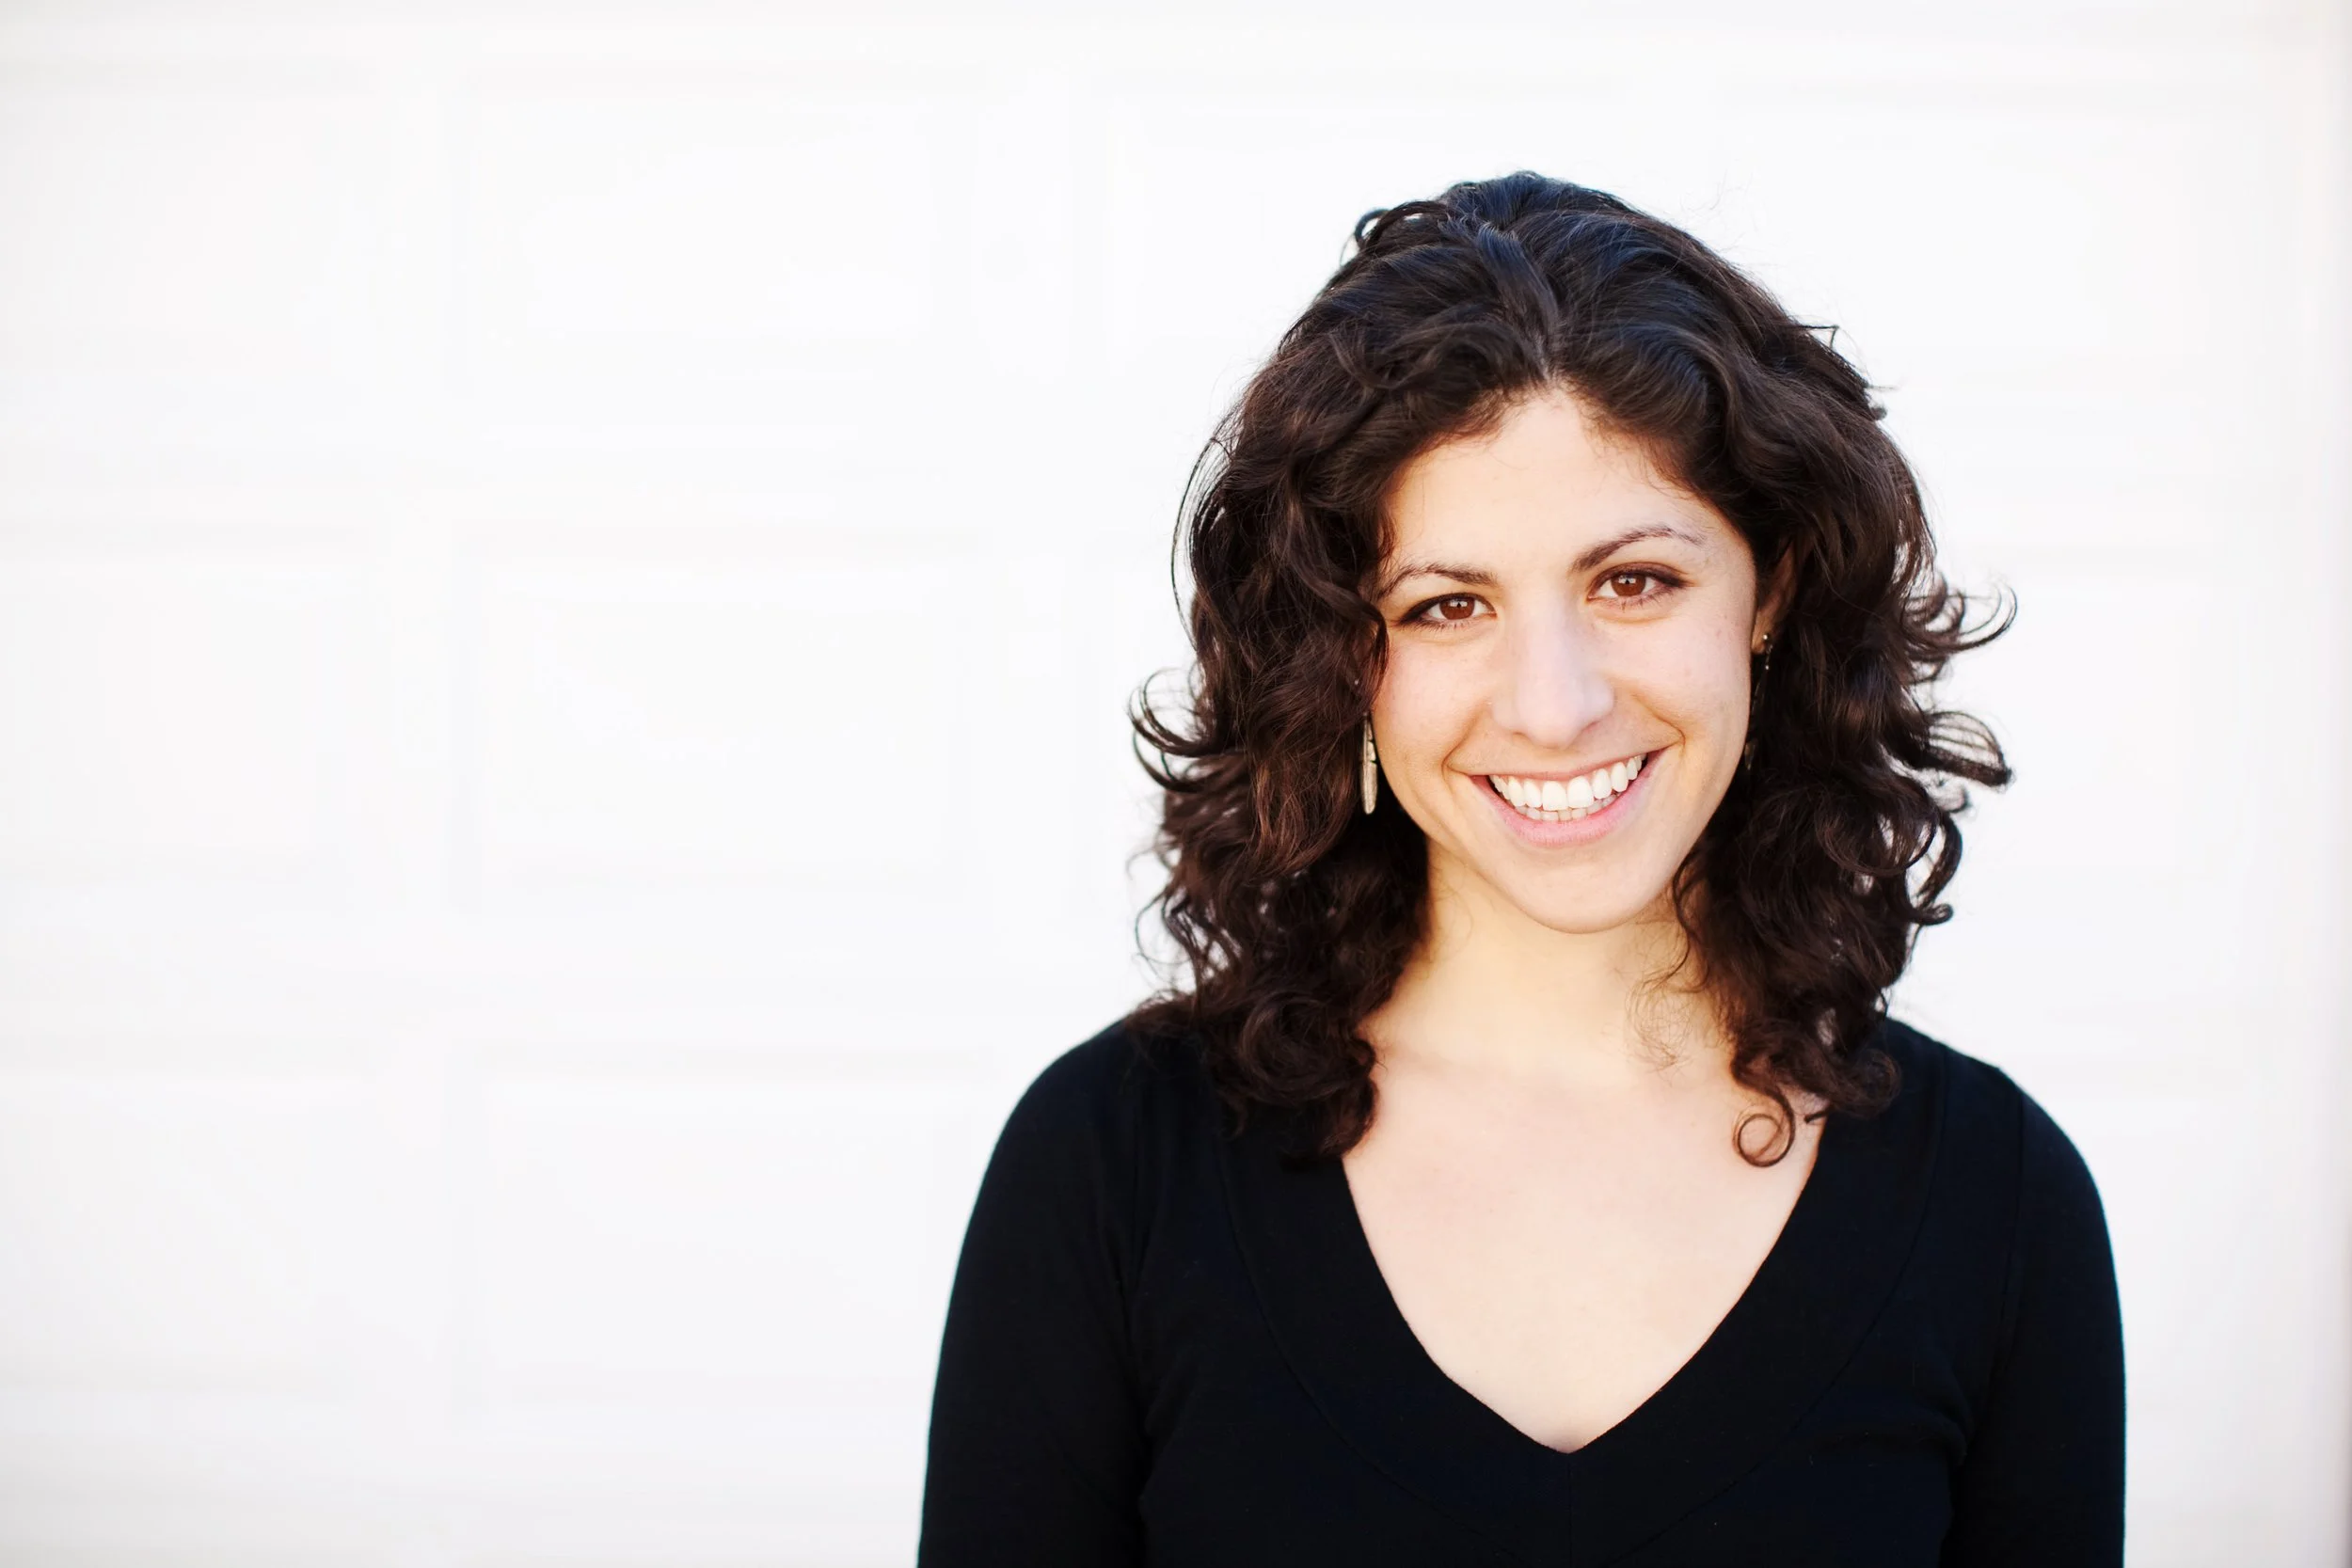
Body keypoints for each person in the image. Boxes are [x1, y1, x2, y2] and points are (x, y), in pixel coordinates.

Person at [916, 171, 2124, 1566]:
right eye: (1445, 605)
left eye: (1634, 582)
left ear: (1772, 590)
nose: (1552, 705)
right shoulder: (1114, 1169)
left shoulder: (2000, 1201)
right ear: (1339, 660)